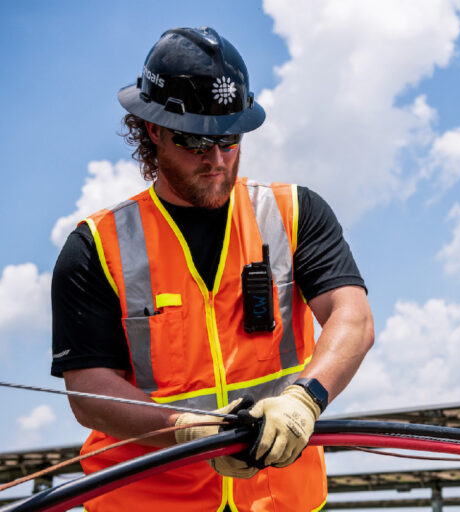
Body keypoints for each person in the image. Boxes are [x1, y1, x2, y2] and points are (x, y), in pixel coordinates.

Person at [50, 27, 374, 512]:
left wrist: (305, 399)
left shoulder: (294, 214)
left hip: (277, 500)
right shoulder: (96, 247)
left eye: (229, 140)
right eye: (196, 142)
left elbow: (354, 319)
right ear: (152, 129)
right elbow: (89, 392)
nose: (218, 160)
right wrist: (184, 429)